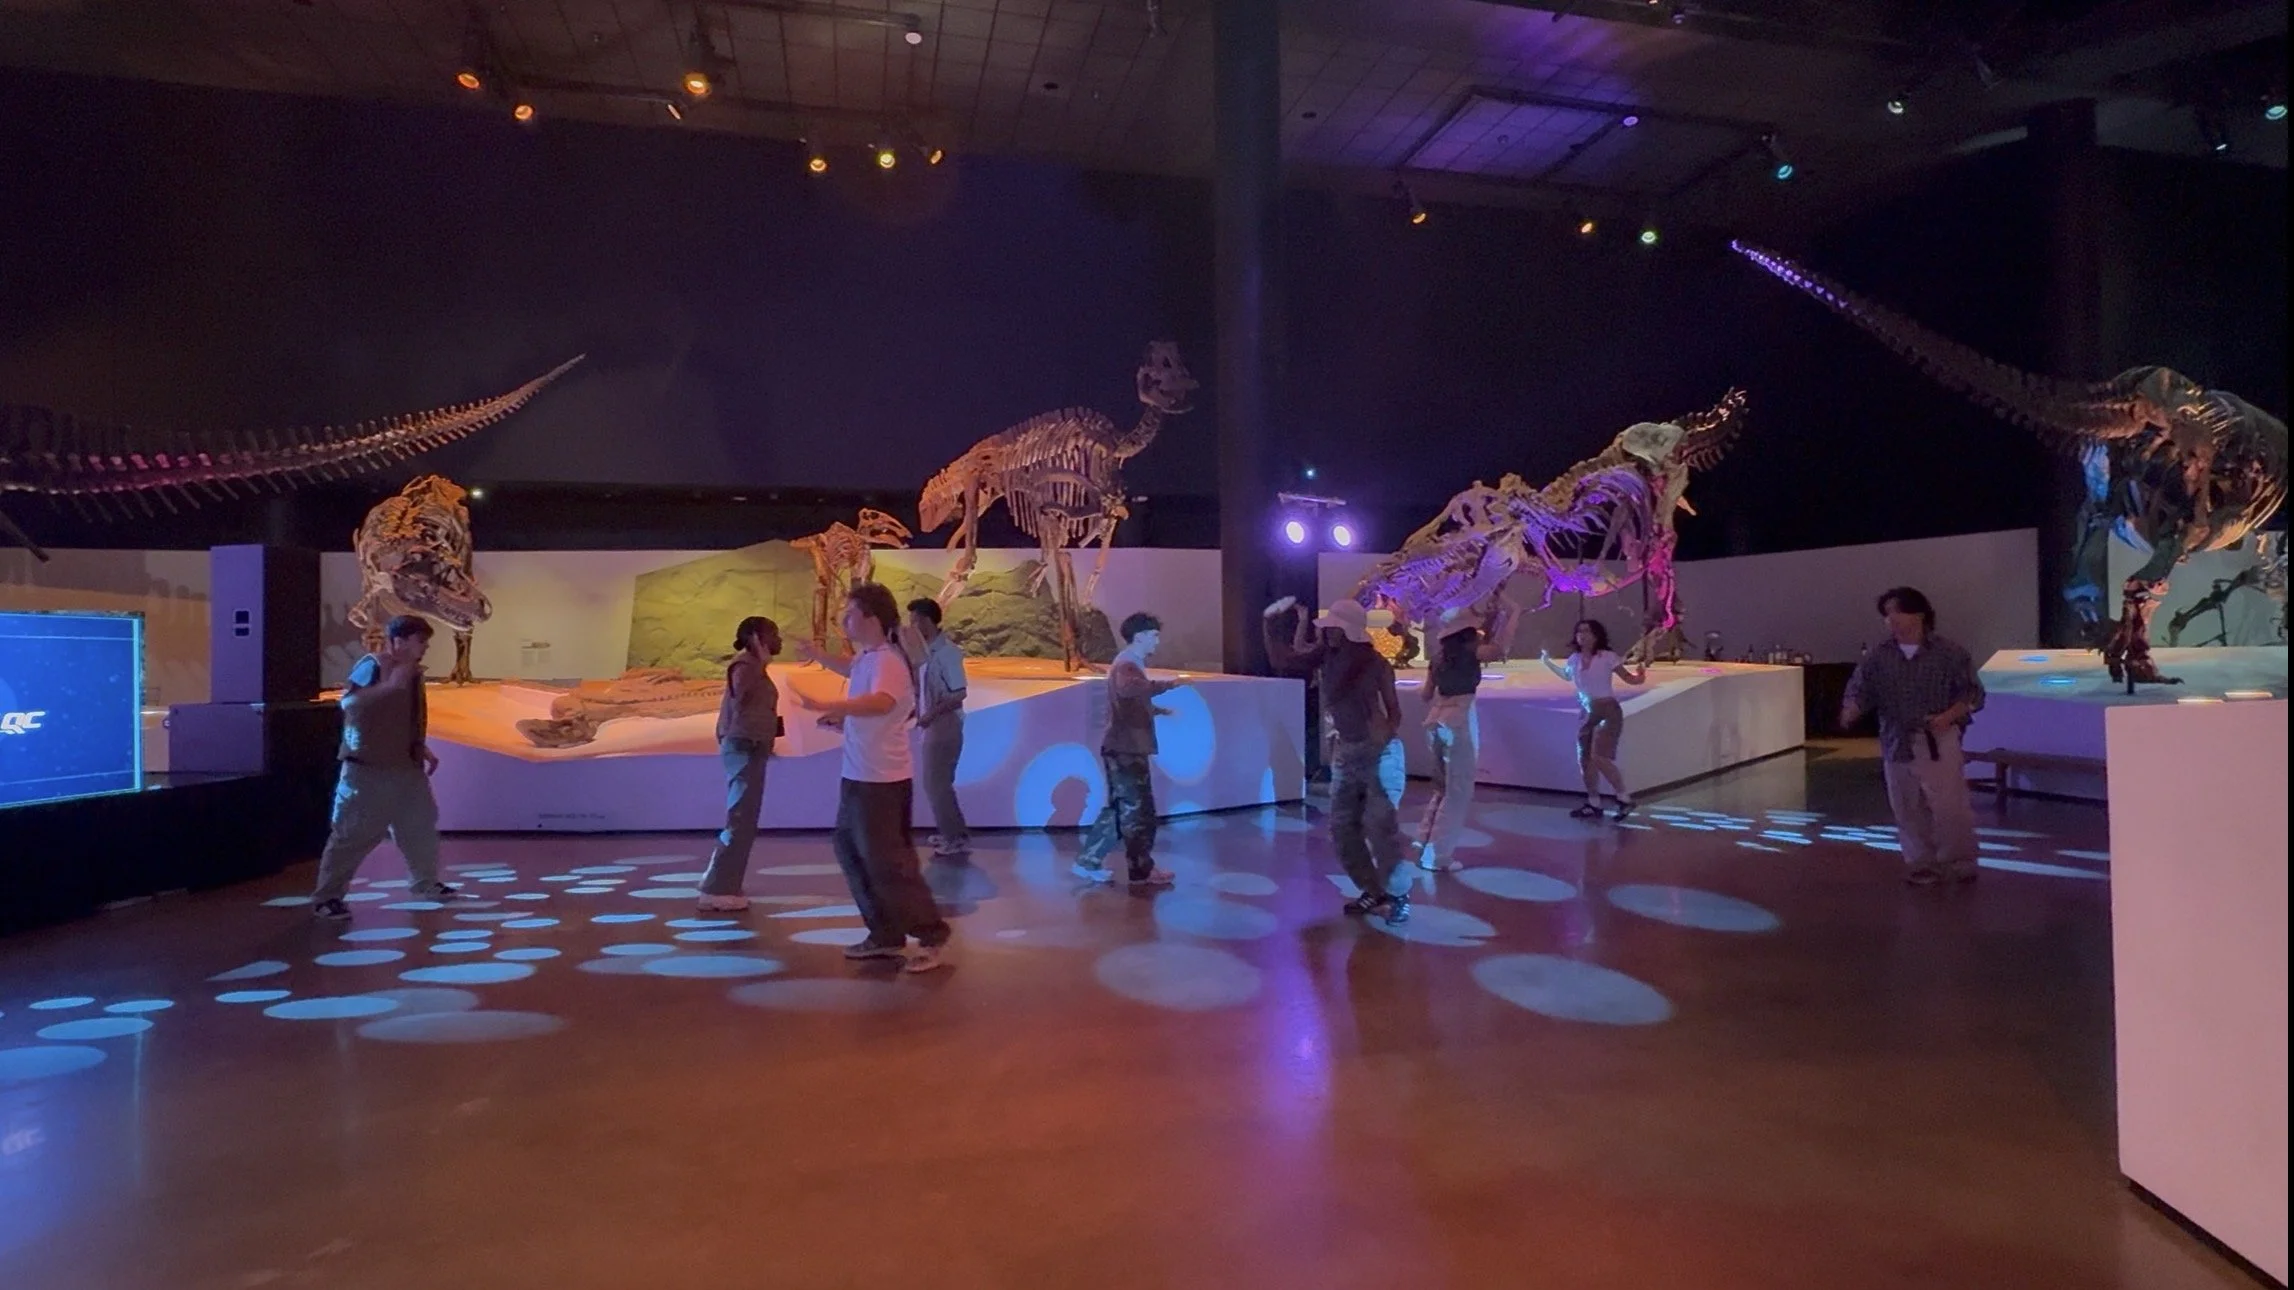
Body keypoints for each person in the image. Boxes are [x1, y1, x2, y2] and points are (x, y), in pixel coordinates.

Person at [792, 583, 952, 972]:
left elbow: (882, 702)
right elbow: (852, 672)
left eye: (849, 614)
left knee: (887, 862)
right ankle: (884, 934)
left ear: (871, 618)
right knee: (853, 853)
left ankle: (930, 934)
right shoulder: (869, 658)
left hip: (881, 779)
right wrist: (818, 657)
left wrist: (831, 705)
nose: (843, 620)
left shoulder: (888, 661)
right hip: (860, 775)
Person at [1263, 596, 1415, 924]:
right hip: (1346, 752)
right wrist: (1270, 621)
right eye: (1328, 628)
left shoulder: (1374, 663)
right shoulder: (1327, 658)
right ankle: (1373, 891)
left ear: (1348, 631)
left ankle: (1399, 896)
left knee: (1380, 827)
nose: (1329, 633)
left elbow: (1394, 711)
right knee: (1343, 827)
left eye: (1334, 628)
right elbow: (1283, 659)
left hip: (1380, 754)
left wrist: (1381, 740)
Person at [310, 615, 458, 919]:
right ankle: (328, 896)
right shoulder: (372, 666)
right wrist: (389, 687)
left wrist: (419, 745)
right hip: (367, 769)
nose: (425, 647)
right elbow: (349, 704)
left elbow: (406, 715)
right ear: (399, 641)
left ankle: (425, 883)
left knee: (419, 827)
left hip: (406, 768)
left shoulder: (412, 673)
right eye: (421, 641)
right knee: (352, 833)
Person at [1840, 586, 1986, 886]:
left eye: (1896, 611)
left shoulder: (1949, 653)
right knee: (1907, 806)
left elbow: (1972, 693)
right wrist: (1851, 709)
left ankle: (1959, 861)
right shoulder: (1879, 657)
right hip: (1896, 739)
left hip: (1938, 738)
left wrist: (1947, 717)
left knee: (1949, 806)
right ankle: (1921, 864)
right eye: (1886, 614)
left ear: (1918, 614)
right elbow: (1861, 690)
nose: (1890, 620)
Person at [1074, 612, 1183, 887]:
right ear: (1140, 636)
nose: (1157, 642)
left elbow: (1129, 700)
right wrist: (1170, 685)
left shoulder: (1128, 663)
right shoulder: (1128, 665)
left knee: (1121, 810)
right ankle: (1140, 870)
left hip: (1122, 747)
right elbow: (1130, 689)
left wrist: (1156, 710)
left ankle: (1090, 861)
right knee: (1137, 813)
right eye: (1154, 636)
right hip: (1127, 749)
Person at [1416, 600, 1515, 871]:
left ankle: (1424, 842)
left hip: (1435, 720)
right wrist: (1513, 613)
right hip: (1458, 719)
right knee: (1458, 790)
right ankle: (1438, 856)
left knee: (1441, 787)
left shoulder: (1437, 658)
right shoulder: (1471, 654)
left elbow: (1425, 695)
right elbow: (1501, 648)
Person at [696, 616, 783, 913]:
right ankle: (718, 889)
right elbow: (739, 697)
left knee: (743, 818)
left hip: (751, 747)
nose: (778, 639)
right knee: (740, 819)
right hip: (744, 746)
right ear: (757, 637)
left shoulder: (754, 667)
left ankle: (720, 880)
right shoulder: (746, 666)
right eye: (772, 634)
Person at [1540, 619, 1646, 820]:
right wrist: (1547, 662)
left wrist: (1640, 675)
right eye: (1579, 631)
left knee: (1600, 756)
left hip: (1607, 710)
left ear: (1597, 635)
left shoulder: (1608, 657)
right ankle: (1593, 802)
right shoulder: (1574, 659)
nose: (1582, 635)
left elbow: (1631, 679)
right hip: (1587, 711)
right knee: (1585, 758)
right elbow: (1566, 675)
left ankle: (1624, 798)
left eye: (1587, 631)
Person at [905, 597, 972, 857]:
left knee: (937, 784)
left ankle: (954, 838)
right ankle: (953, 832)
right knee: (937, 783)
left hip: (944, 725)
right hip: (932, 724)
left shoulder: (948, 653)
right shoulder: (926, 653)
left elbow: (958, 693)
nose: (912, 627)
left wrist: (930, 715)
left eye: (914, 621)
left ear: (926, 621)